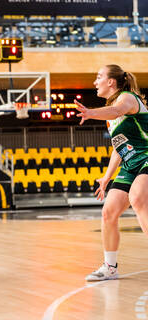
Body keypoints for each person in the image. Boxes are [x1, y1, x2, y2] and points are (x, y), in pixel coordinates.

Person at [75, 64, 148, 281]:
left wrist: (89, 113)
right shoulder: (111, 116)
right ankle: (110, 267)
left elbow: (117, 110)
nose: (95, 82)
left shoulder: (127, 98)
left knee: (138, 197)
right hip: (130, 164)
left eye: (99, 77)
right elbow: (119, 147)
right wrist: (107, 177)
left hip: (147, 156)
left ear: (111, 82)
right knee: (109, 212)